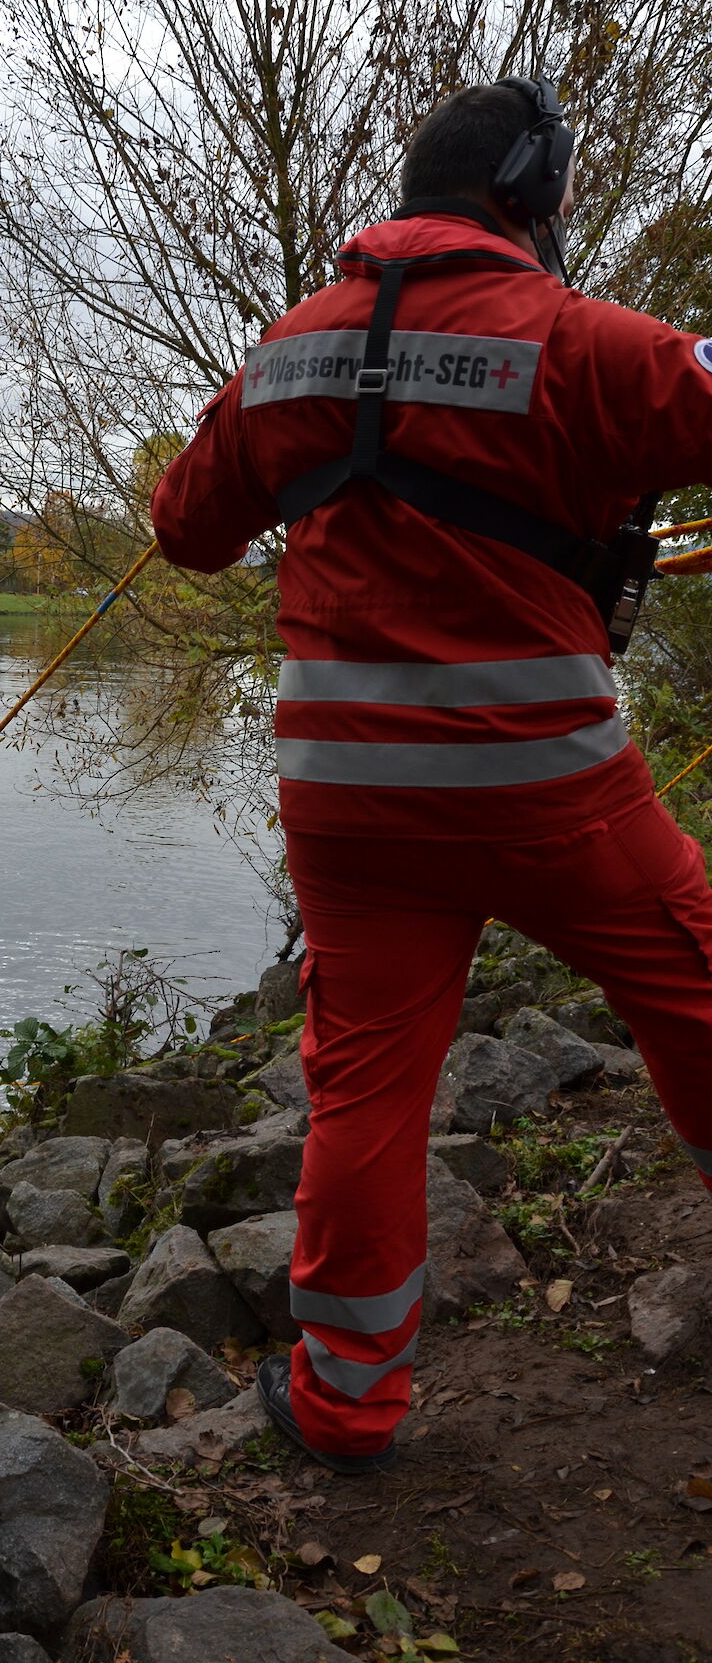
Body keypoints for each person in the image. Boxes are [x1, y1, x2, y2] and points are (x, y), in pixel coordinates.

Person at [149, 77, 712, 1474]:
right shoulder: (581, 343)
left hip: (350, 811)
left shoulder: (288, 352)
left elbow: (185, 530)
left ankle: (345, 1397)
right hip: (548, 791)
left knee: (364, 1092)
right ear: (533, 195)